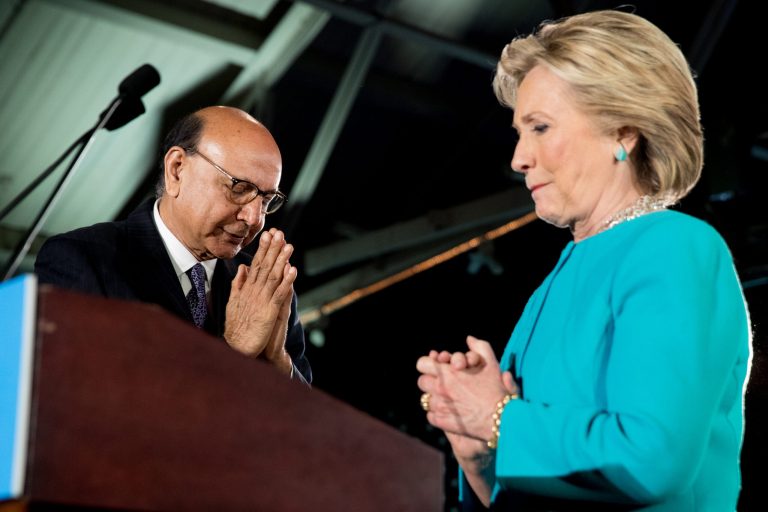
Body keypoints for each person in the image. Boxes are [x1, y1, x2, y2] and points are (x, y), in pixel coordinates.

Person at [416, 10, 751, 510]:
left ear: (622, 131)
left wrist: (499, 417)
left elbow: (652, 461)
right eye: (519, 132)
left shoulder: (675, 247)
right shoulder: (554, 284)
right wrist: (479, 452)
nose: (519, 158)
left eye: (541, 127)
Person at [35, 106, 311, 384]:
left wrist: (278, 365)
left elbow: (309, 422)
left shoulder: (264, 288)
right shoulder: (82, 259)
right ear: (177, 170)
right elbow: (87, 396)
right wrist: (234, 353)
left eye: (266, 200)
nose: (253, 218)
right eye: (239, 189)